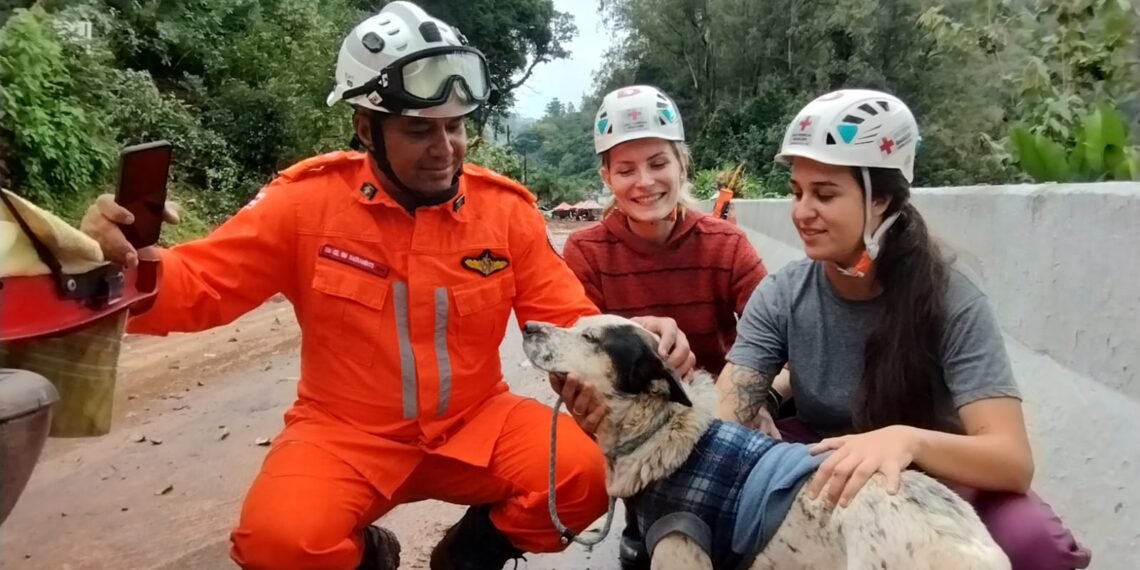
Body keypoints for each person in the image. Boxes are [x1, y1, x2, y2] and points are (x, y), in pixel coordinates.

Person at [78, 3, 695, 569]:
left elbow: (567, 315)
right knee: (278, 543)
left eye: (455, 127)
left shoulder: (503, 211)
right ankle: (370, 554)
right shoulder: (304, 204)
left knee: (583, 476)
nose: (445, 149)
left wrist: (633, 348)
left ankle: (471, 552)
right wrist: (122, 262)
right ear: (366, 128)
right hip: (343, 433)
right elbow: (200, 286)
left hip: (476, 423)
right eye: (419, 131)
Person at [716, 88, 1092, 570]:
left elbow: (1011, 460)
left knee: (1034, 543)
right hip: (824, 467)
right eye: (797, 191)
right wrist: (754, 410)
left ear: (882, 201)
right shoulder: (784, 294)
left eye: (825, 194)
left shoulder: (951, 298)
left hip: (936, 477)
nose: (802, 211)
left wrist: (905, 440)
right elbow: (731, 407)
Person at [560, 85, 769, 569]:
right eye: (626, 169)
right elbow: (572, 359)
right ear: (607, 176)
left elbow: (775, 333)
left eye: (658, 163)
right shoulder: (586, 254)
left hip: (720, 416)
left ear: (682, 166)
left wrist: (755, 396)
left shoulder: (726, 245)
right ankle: (643, 521)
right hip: (635, 428)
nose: (644, 182)